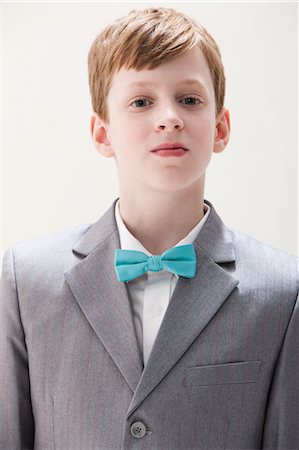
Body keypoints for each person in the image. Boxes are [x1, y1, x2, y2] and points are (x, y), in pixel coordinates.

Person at [0, 6, 298, 450]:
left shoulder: (283, 290)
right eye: (141, 102)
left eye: (190, 100)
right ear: (102, 133)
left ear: (220, 127)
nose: (169, 117)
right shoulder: (27, 280)